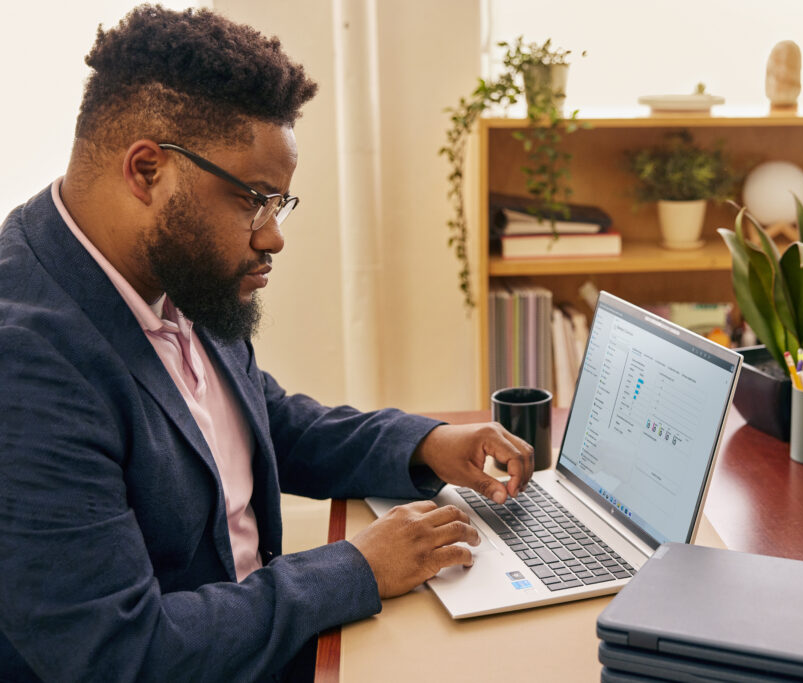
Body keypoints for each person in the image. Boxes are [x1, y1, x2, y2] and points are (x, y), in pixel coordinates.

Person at [0, 5, 533, 681]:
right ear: (146, 171)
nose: (273, 234)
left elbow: (263, 422)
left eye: (279, 203)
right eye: (254, 197)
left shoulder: (169, 272)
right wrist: (355, 566)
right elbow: (120, 654)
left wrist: (423, 443)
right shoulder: (26, 365)